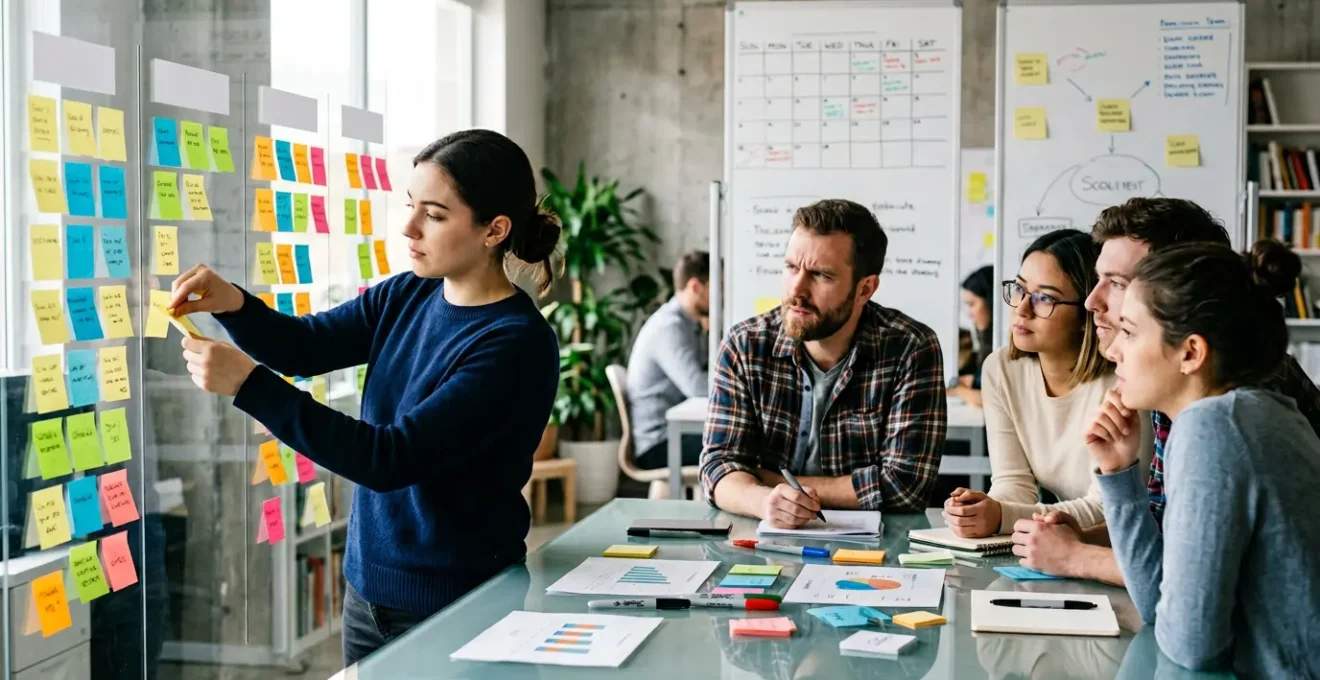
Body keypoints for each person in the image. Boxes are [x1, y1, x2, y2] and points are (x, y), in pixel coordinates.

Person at [166, 129, 560, 665]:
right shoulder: (409, 292)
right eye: (410, 206)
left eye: (434, 215)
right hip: (368, 593)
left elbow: (389, 458)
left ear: (495, 230)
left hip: (459, 603)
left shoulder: (514, 343)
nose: (409, 227)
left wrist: (248, 385)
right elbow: (305, 347)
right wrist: (233, 303)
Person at [1010, 198, 1320, 584]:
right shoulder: (1177, 380)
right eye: (1098, 279)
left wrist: (1077, 557)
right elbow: (1168, 525)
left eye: (1117, 283)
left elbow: (1190, 577)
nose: (1091, 301)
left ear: (1178, 289)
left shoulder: (1234, 401)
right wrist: (1082, 538)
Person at [1087, 243, 1320, 676]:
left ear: (1191, 353)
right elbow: (1159, 606)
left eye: (1130, 332)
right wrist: (1118, 473)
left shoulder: (1214, 427)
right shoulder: (1246, 412)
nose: (1114, 350)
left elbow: (1191, 644)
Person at [701, 199, 946, 526]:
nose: (797, 289)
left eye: (820, 275)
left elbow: (906, 485)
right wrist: (764, 501)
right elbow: (718, 467)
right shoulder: (745, 345)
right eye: (791, 267)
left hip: (875, 546)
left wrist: (771, 480)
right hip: (762, 536)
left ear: (865, 289)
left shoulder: (910, 347)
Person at [943, 230, 1151, 538]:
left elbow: (1110, 507)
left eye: (1044, 298)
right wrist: (984, 511)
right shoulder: (1001, 370)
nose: (1021, 309)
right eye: (1019, 289)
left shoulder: (1124, 379)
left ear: (1087, 312)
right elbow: (1013, 483)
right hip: (1068, 541)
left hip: (1116, 542)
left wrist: (1002, 516)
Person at [626, 251, 710, 469]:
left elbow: (705, 370)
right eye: (717, 287)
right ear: (695, 287)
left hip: (673, 434)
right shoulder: (669, 327)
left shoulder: (687, 325)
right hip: (659, 442)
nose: (721, 296)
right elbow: (697, 387)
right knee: (735, 446)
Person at [951, 265, 994, 407]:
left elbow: (991, 400)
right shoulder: (985, 341)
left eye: (971, 304)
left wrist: (958, 389)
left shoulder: (1005, 343)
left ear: (990, 301)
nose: (969, 313)